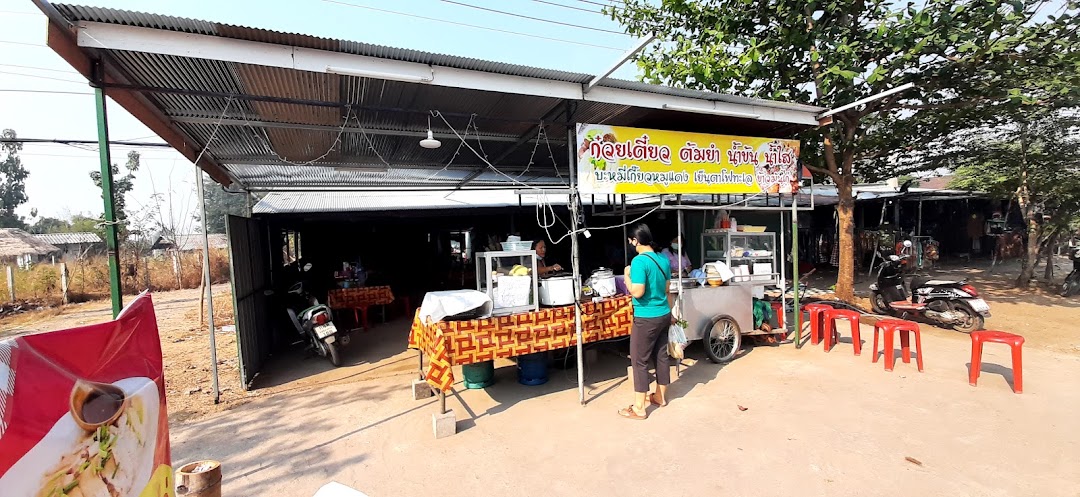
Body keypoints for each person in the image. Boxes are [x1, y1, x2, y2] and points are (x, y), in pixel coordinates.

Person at [618, 223, 672, 420]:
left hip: (646, 317)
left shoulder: (639, 262)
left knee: (639, 360)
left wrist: (626, 277)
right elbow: (667, 289)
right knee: (661, 356)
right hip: (663, 313)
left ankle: (639, 407)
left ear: (635, 241)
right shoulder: (663, 259)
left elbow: (638, 291)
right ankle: (660, 396)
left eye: (631, 241)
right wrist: (671, 313)